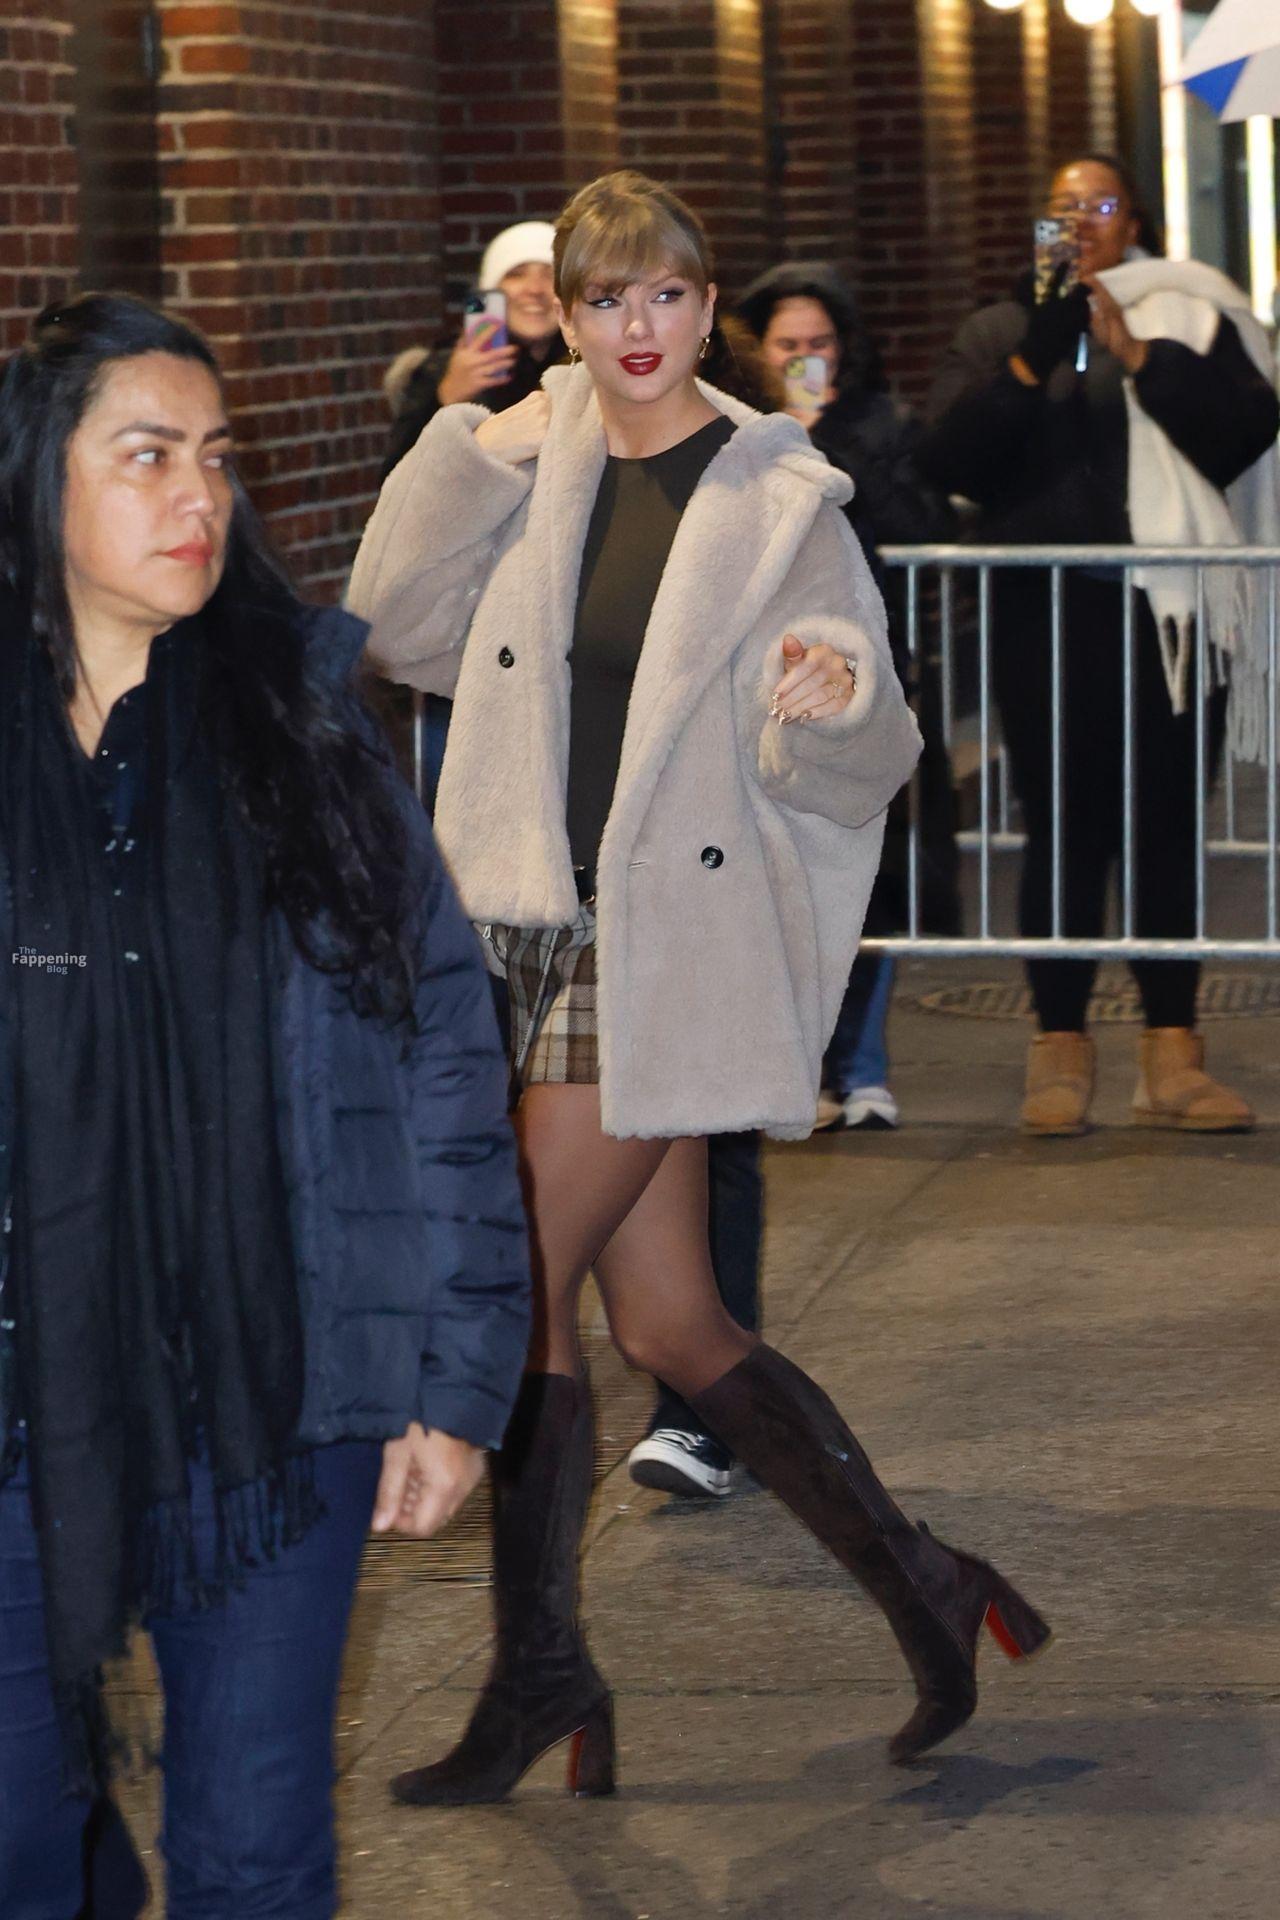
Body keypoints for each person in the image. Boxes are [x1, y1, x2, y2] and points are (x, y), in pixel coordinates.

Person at [350, 168, 1050, 1802]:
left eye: (664, 294)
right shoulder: (539, 467)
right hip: (528, 923)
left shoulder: (775, 492)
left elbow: (872, 728)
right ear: (568, 319)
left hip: (667, 935)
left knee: (509, 1271)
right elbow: (395, 629)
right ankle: (932, 1588)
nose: (637, 328)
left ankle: (539, 1671)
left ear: (703, 301)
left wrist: (830, 687)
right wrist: (469, 443)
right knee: (671, 1319)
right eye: (604, 300)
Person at [0, 293, 530, 1919]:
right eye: (147, 457)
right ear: (36, 478)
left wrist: (456, 1380)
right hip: (25, 1406)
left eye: (216, 458)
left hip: (275, 1403)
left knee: (253, 1860)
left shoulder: (301, 726)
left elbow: (443, 1048)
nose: (199, 498)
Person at [919, 154, 1279, 1136]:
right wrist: (1031, 361)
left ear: (1136, 222)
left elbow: (1245, 432)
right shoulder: (998, 329)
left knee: (1166, 830)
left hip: (1172, 620)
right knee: (1063, 829)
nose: (1080, 221)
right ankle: (1058, 1053)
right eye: (1062, 208)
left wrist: (1142, 355)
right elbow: (945, 458)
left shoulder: (1192, 311)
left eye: (1100, 204)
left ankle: (1172, 1057)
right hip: (1047, 615)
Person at [737, 262, 958, 1132]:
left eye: (820, 343)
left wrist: (830, 443)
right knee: (777, 880)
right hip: (763, 677)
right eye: (787, 344)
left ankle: (862, 1068)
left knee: (867, 875)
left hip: (863, 679)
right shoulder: (734, 430)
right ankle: (798, 1071)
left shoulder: (876, 423)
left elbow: (922, 522)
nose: (805, 358)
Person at [383, 219, 568, 480]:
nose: (535, 289)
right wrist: (445, 400)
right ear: (489, 291)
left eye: (550, 274)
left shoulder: (592, 365)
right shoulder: (443, 369)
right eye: (516, 274)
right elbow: (395, 483)